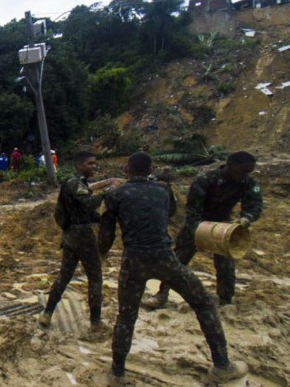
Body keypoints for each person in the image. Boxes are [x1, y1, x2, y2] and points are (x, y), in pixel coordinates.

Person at [99, 152, 248, 385]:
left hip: (134, 261)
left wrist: (101, 253)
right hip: (165, 258)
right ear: (149, 169)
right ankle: (222, 365)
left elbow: (106, 236)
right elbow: (168, 213)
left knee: (126, 316)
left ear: (127, 169)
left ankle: (117, 374)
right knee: (204, 302)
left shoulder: (114, 195)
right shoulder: (162, 190)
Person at [143, 151, 263, 309]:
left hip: (223, 225)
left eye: (249, 172)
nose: (245, 175)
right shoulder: (206, 180)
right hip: (197, 222)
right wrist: (200, 231)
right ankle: (162, 294)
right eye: (242, 171)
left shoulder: (248, 182)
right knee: (178, 261)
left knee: (226, 265)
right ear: (230, 165)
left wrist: (246, 218)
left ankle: (224, 299)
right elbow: (192, 210)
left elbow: (254, 205)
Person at [38, 151, 121, 330]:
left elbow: (86, 205)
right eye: (90, 163)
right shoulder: (73, 182)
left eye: (94, 163)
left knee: (65, 275)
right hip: (82, 236)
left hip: (70, 237)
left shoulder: (77, 182)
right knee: (95, 277)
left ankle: (47, 313)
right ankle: (96, 321)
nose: (94, 166)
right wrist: (110, 190)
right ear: (79, 165)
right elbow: (90, 203)